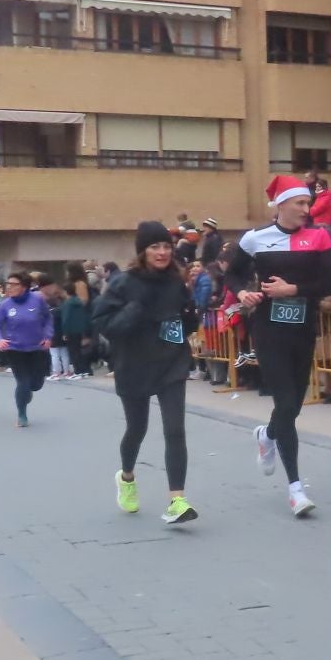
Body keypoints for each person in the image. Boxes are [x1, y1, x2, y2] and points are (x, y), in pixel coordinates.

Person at [227, 175, 331, 518]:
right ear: (281, 205)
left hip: (303, 329)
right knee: (286, 400)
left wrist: (292, 290)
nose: (307, 209)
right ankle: (295, 488)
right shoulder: (255, 238)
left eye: (308, 203)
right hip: (268, 330)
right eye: (301, 203)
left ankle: (267, 434)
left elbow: (330, 282)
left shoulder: (319, 237)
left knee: (294, 404)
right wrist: (243, 292)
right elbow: (231, 274)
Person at [94, 221, 199, 525]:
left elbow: (184, 319)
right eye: (155, 246)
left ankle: (177, 500)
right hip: (134, 364)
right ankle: (126, 476)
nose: (162, 252)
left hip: (170, 362)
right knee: (137, 429)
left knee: (175, 430)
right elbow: (104, 325)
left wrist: (188, 318)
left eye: (166, 246)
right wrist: (134, 310)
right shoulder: (123, 283)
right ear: (143, 251)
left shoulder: (177, 281)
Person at [0, 271, 54, 428]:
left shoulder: (37, 300)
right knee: (23, 383)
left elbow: (48, 319)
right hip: (15, 349)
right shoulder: (5, 305)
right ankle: (22, 414)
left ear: (24, 287)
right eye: (8, 284)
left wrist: (48, 336)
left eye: (14, 284)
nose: (9, 287)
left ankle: (28, 392)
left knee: (36, 385)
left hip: (37, 348)